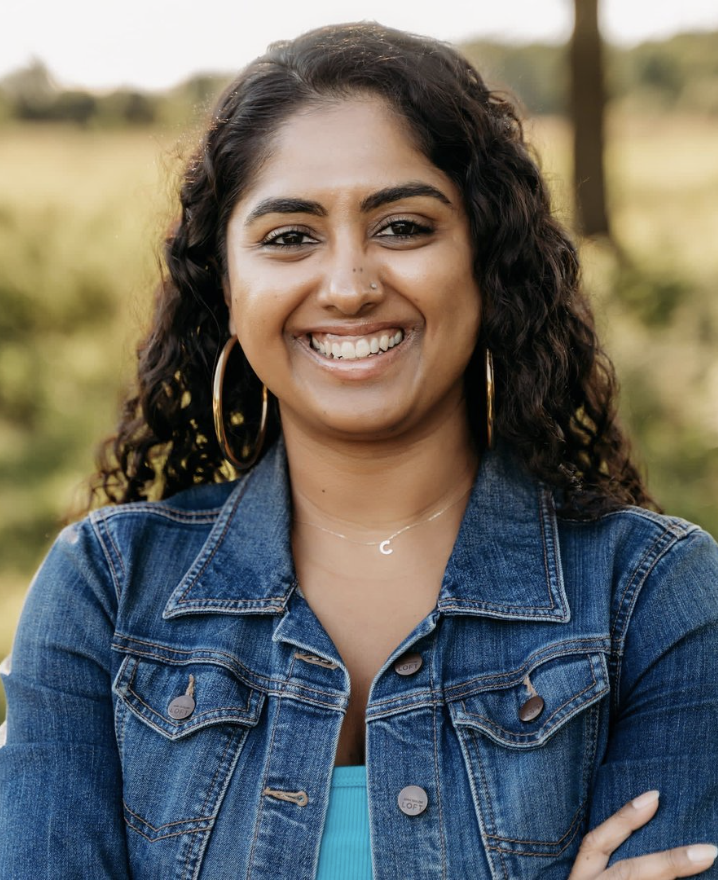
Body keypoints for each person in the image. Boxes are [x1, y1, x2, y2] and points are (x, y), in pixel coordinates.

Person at [0, 21, 716, 880]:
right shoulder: (104, 593)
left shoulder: (653, 600)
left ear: (488, 261)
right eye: (290, 236)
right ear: (227, 286)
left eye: (404, 226)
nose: (348, 286)